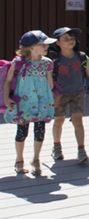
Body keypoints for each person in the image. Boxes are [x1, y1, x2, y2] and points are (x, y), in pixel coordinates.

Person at [48, 27, 89, 163]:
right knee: (58, 121)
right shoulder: (54, 60)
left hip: (78, 93)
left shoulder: (82, 56)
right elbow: (49, 80)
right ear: (58, 43)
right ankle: (56, 147)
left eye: (72, 38)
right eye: (66, 39)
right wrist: (52, 96)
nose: (70, 41)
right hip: (60, 95)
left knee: (78, 121)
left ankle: (81, 150)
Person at [4, 31, 57, 175]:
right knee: (22, 131)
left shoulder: (47, 62)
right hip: (23, 103)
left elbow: (50, 84)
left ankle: (36, 159)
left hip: (42, 101)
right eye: (42, 44)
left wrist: (50, 97)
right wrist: (6, 98)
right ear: (31, 47)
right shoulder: (18, 62)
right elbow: (8, 81)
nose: (46, 47)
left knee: (40, 131)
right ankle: (19, 159)